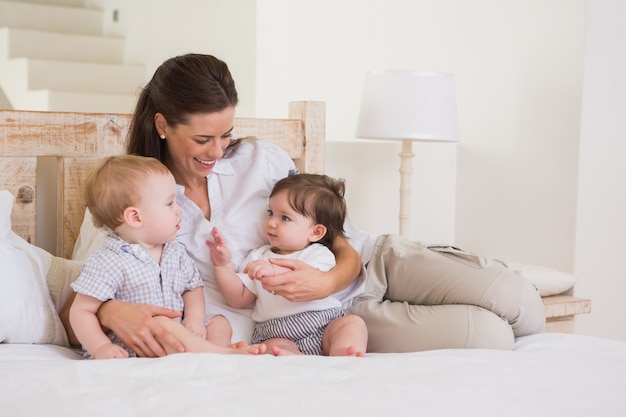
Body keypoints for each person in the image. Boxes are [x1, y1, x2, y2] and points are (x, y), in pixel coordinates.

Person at [62, 53, 545, 357]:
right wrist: (109, 314)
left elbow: (340, 239)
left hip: (369, 264)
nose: (217, 151)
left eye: (226, 134)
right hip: (323, 322)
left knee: (520, 303)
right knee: (492, 337)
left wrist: (329, 278)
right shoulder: (130, 199)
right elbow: (78, 294)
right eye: (203, 138)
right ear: (164, 124)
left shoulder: (261, 160)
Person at [69, 155, 266, 358]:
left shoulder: (175, 251)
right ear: (136, 217)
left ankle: (212, 357)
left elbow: (192, 287)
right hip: (141, 342)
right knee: (161, 323)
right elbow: (81, 311)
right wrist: (101, 347)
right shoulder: (109, 261)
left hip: (178, 329)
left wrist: (195, 318)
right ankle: (220, 354)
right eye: (170, 203)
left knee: (219, 322)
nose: (179, 209)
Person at [208, 173, 368, 357]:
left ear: (316, 232)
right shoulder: (258, 256)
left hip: (324, 322)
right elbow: (238, 298)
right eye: (271, 213)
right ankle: (295, 362)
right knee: (271, 348)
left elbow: (303, 276)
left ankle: (342, 353)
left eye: (284, 218)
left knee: (352, 324)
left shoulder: (319, 254)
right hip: (277, 330)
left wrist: (272, 270)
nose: (271, 222)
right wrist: (223, 266)